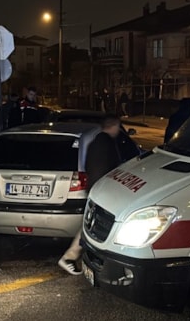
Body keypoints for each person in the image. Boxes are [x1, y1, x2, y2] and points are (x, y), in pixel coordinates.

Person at [58, 114, 123, 275]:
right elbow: (110, 168)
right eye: (118, 126)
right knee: (92, 226)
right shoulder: (107, 143)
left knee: (92, 225)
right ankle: (70, 256)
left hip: (95, 189)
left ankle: (75, 256)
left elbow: (89, 165)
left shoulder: (95, 142)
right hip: (103, 191)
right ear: (114, 126)